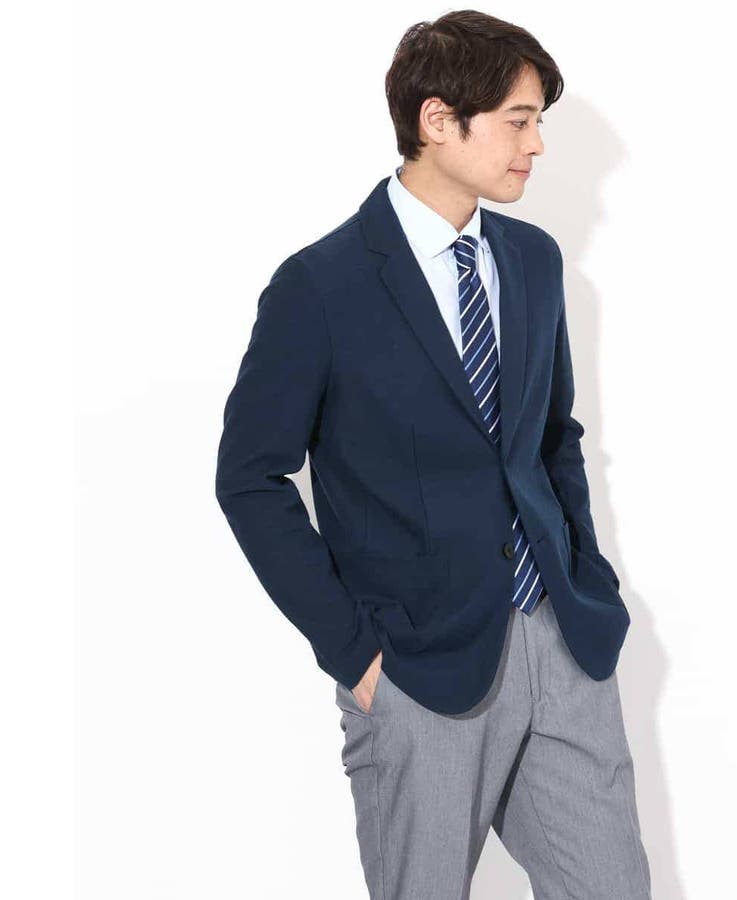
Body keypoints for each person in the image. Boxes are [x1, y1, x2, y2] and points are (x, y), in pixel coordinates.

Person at [215, 9, 652, 899]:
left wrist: (586, 578)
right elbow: (250, 478)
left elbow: (552, 436)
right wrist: (353, 652)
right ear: (438, 120)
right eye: (518, 122)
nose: (537, 146)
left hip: (561, 640)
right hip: (416, 667)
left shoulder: (532, 261)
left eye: (539, 123)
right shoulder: (321, 286)